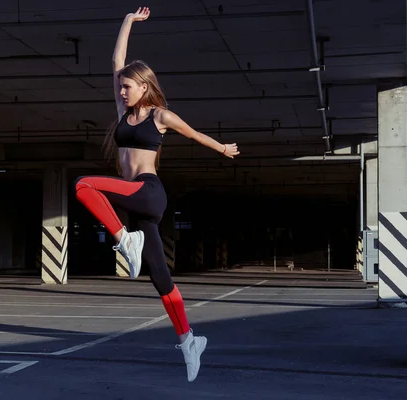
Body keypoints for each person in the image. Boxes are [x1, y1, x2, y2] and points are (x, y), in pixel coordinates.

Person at [74, 7, 239, 382]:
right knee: (161, 279)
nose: (121, 90)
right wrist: (128, 21)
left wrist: (223, 149)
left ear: (144, 86)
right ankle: (189, 340)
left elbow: (194, 134)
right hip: (133, 203)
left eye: (127, 86)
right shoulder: (122, 111)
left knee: (84, 184)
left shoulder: (159, 116)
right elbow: (117, 60)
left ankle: (123, 241)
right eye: (120, 86)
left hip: (148, 192)